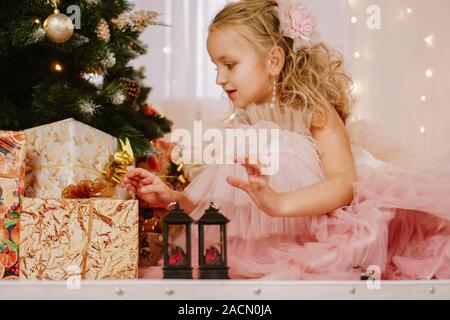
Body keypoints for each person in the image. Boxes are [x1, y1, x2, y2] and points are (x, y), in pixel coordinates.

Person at [123, 0, 450, 280]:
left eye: (230, 65)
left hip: (308, 245)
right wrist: (172, 198)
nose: (219, 78)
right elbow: (226, 211)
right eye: (215, 66)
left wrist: (279, 203)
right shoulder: (240, 130)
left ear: (274, 61)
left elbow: (344, 182)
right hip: (242, 257)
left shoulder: (312, 110)